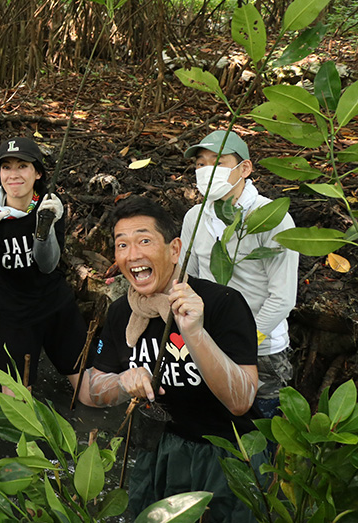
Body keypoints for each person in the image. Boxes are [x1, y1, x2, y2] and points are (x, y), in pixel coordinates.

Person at [78, 196, 258, 522]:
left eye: (144, 240)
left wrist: (195, 332)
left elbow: (241, 400)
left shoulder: (221, 303)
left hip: (227, 453)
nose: (132, 255)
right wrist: (123, 382)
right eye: (122, 245)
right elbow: (91, 390)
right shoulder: (121, 311)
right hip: (158, 450)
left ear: (175, 250)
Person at [181, 130, 297, 418]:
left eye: (217, 163)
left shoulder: (271, 218)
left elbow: (282, 297)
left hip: (263, 349)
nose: (207, 171)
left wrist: (242, 341)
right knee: (215, 431)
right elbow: (188, 280)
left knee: (262, 433)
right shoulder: (194, 218)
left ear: (244, 168)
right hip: (208, 344)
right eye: (200, 164)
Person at [0, 137, 86, 393]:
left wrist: (44, 228)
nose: (14, 175)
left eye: (22, 166)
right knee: (18, 410)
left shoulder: (49, 206)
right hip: (15, 316)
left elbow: (48, 265)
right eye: (6, 167)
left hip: (56, 307)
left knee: (88, 395)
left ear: (38, 173)